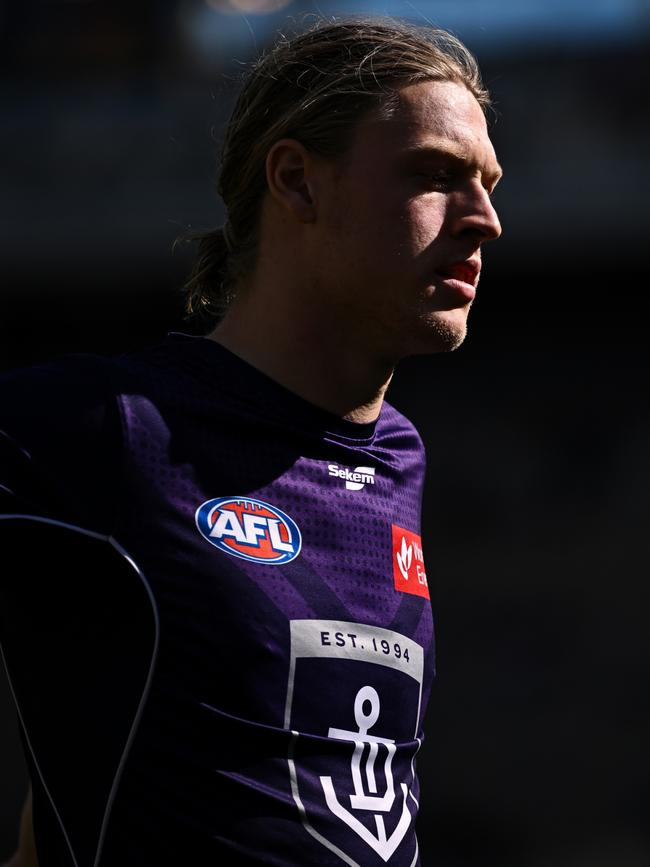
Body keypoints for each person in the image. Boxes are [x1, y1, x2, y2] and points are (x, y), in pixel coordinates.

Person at [0, 15, 501, 867]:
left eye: (489, 183)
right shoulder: (112, 425)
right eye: (434, 176)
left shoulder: (399, 458)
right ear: (299, 183)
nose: (485, 219)